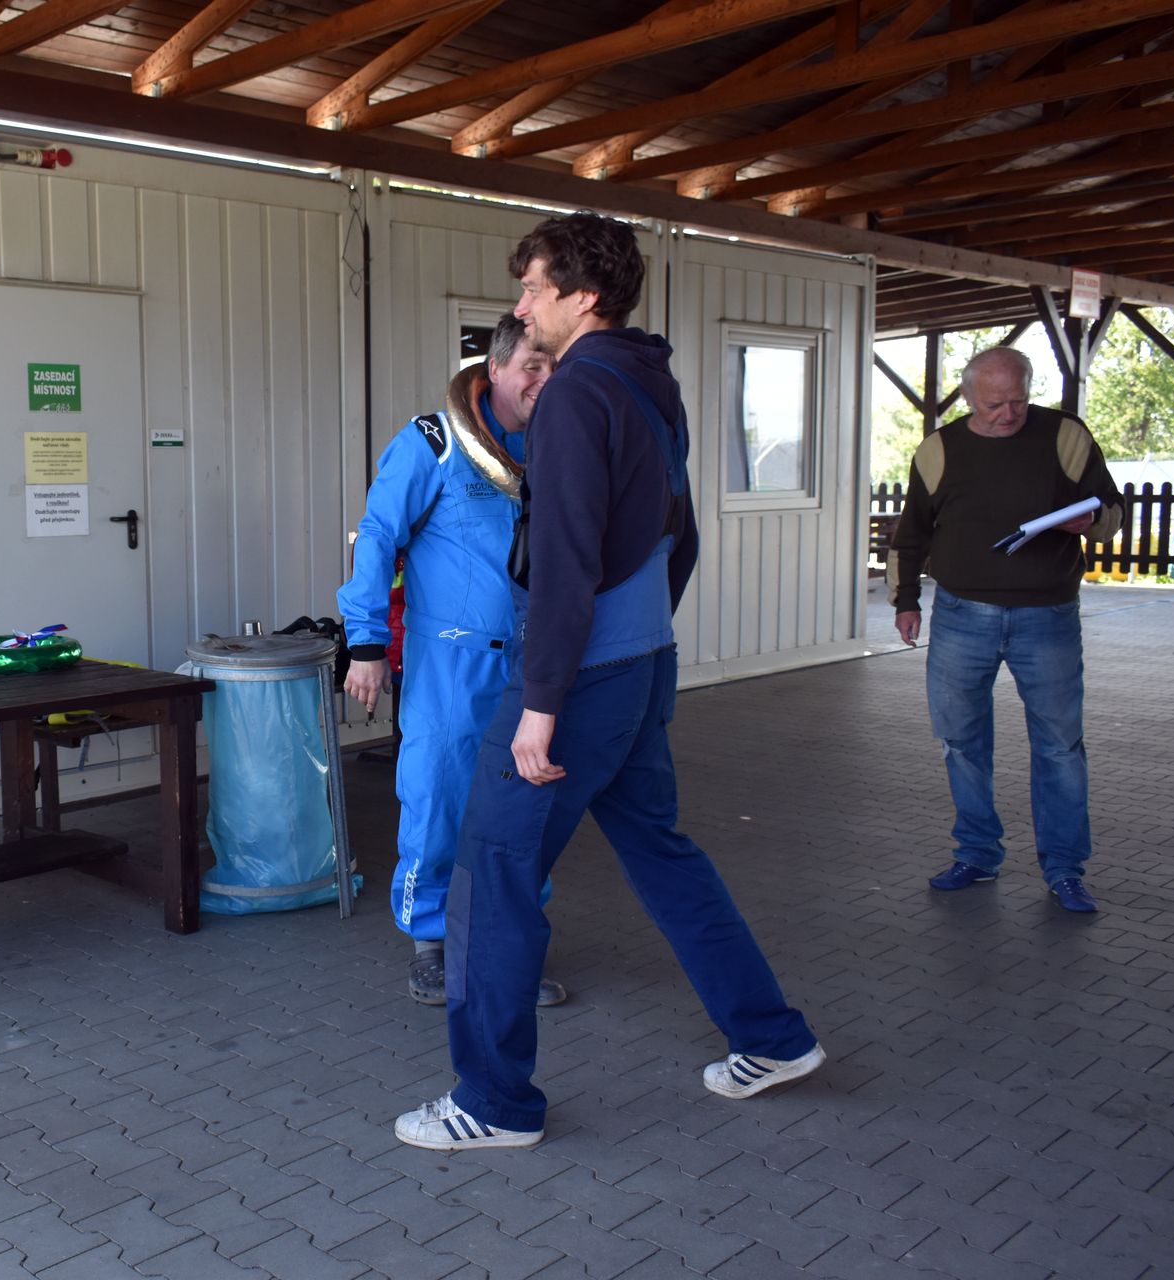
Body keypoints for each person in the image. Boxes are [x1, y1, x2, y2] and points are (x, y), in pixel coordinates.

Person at [395, 213, 824, 1152]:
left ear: (582, 296)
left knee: (490, 875)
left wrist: (541, 705)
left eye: (533, 289)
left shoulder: (576, 393)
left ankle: (493, 1103)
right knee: (663, 855)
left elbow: (564, 563)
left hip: (578, 678)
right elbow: (682, 536)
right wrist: (642, 642)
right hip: (638, 664)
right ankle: (772, 1037)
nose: (521, 307)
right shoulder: (648, 381)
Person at [338, 314, 566, 1007]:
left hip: (530, 666)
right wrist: (366, 645)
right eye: (531, 366)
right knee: (437, 801)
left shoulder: (557, 445)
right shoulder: (431, 444)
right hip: (450, 665)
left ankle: (506, 945)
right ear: (494, 368)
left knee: (525, 808)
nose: (544, 380)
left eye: (554, 366)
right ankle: (432, 947)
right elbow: (377, 537)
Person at [889, 346, 1122, 914]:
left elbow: (1113, 514)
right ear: (969, 398)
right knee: (960, 742)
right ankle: (977, 855)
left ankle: (1065, 870)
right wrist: (905, 599)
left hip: (1048, 616)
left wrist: (1090, 520)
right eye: (994, 404)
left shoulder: (1066, 436)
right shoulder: (939, 449)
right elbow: (911, 532)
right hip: (960, 616)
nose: (1008, 414)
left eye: (1018, 400)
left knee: (1060, 747)